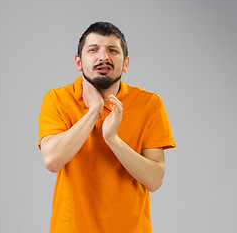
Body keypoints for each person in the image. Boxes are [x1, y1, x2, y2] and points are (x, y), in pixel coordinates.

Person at [38, 21, 176, 233]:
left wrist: (113, 139)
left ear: (126, 63)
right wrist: (94, 110)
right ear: (78, 62)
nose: (103, 57)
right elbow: (52, 160)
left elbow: (155, 179)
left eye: (113, 50)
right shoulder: (57, 99)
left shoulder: (150, 104)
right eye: (93, 50)